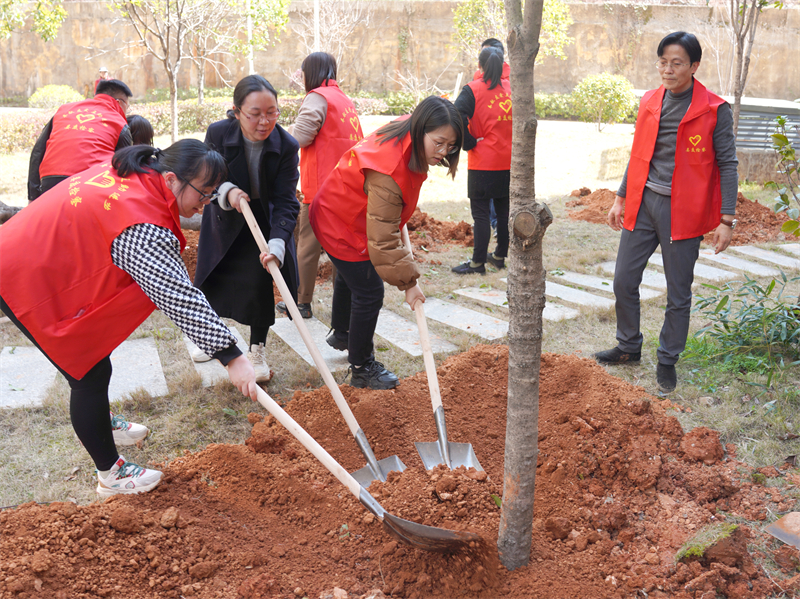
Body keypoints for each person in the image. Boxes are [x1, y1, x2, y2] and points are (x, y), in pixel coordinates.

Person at [0, 140, 259, 496]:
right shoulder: (141, 220)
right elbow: (176, 295)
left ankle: (100, 423)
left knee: (96, 356)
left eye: (212, 194)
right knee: (87, 372)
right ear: (171, 179)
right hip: (21, 273)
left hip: (37, 253)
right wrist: (231, 356)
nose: (205, 203)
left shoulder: (141, 172)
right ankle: (111, 474)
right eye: (203, 193)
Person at [594, 31, 739, 393]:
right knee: (623, 280)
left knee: (678, 292)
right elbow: (638, 153)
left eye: (677, 63)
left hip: (684, 211)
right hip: (643, 203)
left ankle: (667, 360)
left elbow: (727, 164)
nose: (668, 70)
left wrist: (726, 219)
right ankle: (628, 346)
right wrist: (621, 197)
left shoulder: (714, 110)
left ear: (694, 66)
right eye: (663, 62)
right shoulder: (650, 100)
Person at [300, 96, 463, 390]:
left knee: (351, 276)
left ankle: (343, 333)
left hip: (336, 209)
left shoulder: (408, 129)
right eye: (439, 143)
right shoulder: (389, 172)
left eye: (450, 146)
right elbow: (384, 241)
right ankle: (362, 366)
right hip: (342, 224)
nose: (443, 152)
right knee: (369, 291)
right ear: (421, 128)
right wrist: (409, 283)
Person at [194, 75, 300, 383]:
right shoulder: (218, 133)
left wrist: (277, 244)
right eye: (255, 114)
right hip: (224, 218)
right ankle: (213, 339)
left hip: (264, 222)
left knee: (258, 285)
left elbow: (286, 200)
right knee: (212, 280)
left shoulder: (286, 146)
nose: (264, 122)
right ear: (237, 111)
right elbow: (206, 176)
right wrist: (227, 191)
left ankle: (256, 349)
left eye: (272, 112)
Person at [275, 52, 364, 320]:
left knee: (307, 246)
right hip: (349, 186)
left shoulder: (317, 97)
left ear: (310, 73)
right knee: (343, 248)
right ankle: (344, 305)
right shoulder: (343, 100)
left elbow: (300, 137)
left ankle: (301, 302)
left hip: (323, 190)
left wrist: (275, 137)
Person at [451, 46, 512, 274]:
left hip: (483, 162)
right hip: (509, 161)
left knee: (481, 215)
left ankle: (477, 264)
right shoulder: (513, 89)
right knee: (504, 212)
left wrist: (468, 142)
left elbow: (455, 113)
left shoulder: (473, 89)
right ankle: (499, 256)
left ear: (480, 66)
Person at [28, 79, 133, 202]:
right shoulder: (119, 123)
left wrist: (33, 196)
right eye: (127, 107)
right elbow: (126, 167)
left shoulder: (64, 111)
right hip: (91, 184)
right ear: (119, 103)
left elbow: (38, 151)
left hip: (50, 182)